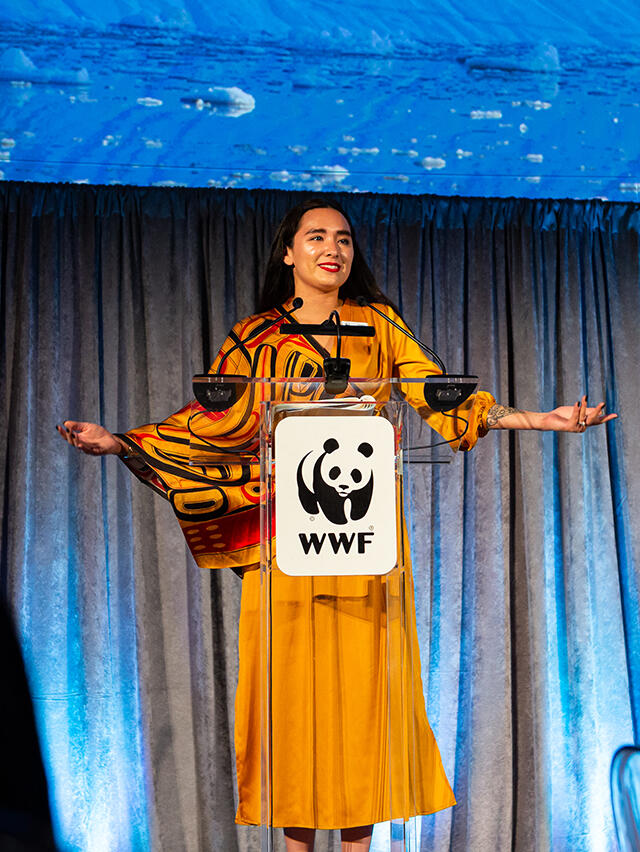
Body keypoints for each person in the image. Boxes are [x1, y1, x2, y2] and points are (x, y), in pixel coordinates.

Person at [58, 199, 615, 852]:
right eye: (316, 237)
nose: (334, 248)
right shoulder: (254, 338)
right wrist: (123, 443)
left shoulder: (377, 325)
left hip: (366, 544)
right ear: (288, 253)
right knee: (295, 704)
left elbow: (438, 395)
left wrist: (540, 421)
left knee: (364, 706)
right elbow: (216, 427)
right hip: (288, 544)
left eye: (345, 239)